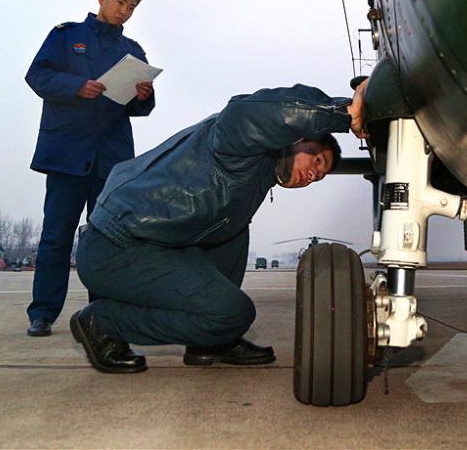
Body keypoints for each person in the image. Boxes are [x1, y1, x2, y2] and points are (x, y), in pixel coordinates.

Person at [70, 80, 368, 373]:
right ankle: (103, 322)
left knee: (235, 226)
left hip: (151, 244)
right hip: (115, 247)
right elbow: (247, 112)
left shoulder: (258, 177)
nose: (312, 175)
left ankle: (208, 343)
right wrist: (342, 112)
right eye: (316, 160)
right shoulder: (235, 144)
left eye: (318, 176)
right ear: (297, 137)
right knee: (234, 314)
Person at [25, 0, 156, 338]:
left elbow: (141, 108)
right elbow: (36, 76)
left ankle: (103, 314)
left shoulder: (133, 51)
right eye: (120, 2)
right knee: (56, 236)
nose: (125, 11)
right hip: (68, 154)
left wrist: (144, 95)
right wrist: (76, 86)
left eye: (132, 7)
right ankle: (43, 313)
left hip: (111, 160)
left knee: (106, 240)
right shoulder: (66, 37)